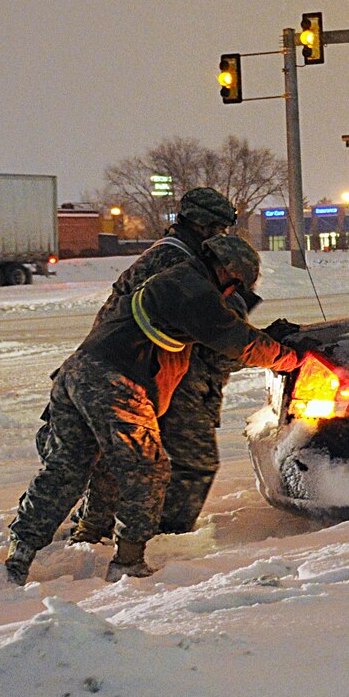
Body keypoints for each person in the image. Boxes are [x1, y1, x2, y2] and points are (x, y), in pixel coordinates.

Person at [4, 235, 302, 585]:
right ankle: (128, 561)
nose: (229, 297)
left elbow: (215, 349)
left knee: (66, 467)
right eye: (234, 288)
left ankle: (20, 552)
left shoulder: (172, 282)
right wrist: (289, 358)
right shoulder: (193, 289)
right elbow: (236, 340)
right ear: (227, 272)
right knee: (148, 467)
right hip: (116, 382)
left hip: (76, 374)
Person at [67, 187, 293, 540]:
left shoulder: (175, 256)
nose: (222, 237)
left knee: (120, 456)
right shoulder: (178, 263)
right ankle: (158, 536)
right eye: (218, 228)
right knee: (192, 463)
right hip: (161, 375)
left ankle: (95, 528)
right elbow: (214, 340)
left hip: (135, 371)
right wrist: (268, 349)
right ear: (203, 225)